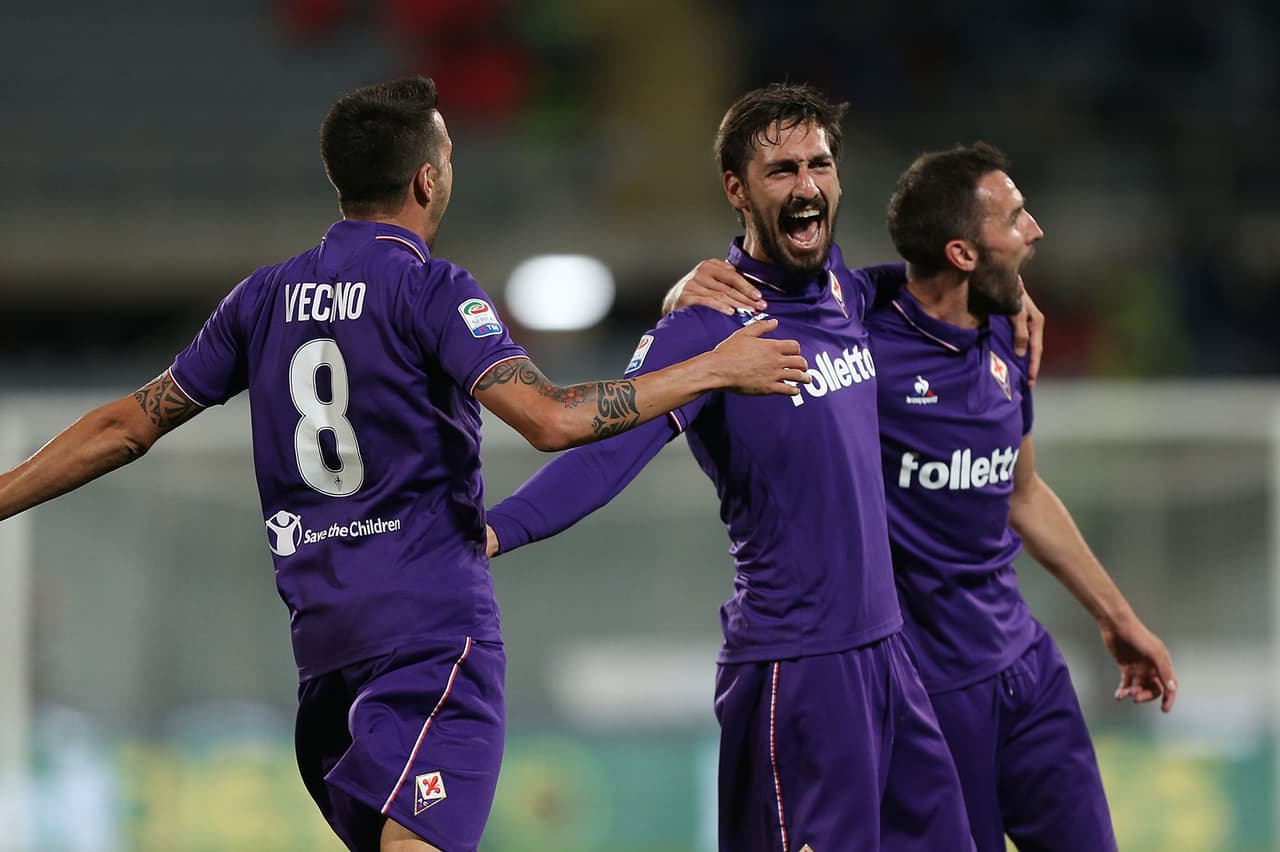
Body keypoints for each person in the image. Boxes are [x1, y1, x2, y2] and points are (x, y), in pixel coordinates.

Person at [0, 77, 812, 852]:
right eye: (450, 155)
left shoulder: (263, 298)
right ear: (427, 181)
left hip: (324, 657)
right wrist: (712, 367)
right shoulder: (431, 291)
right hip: (428, 639)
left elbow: (127, 425)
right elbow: (554, 419)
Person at [486, 83, 977, 851]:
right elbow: (607, 453)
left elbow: (935, 290)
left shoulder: (846, 292)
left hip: (888, 657)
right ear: (736, 190)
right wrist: (493, 531)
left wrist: (1011, 298)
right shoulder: (706, 330)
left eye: (819, 164)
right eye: (782, 170)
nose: (807, 185)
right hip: (798, 672)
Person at [671, 142, 1179, 851]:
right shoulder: (863, 347)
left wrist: (1117, 617)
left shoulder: (1005, 330)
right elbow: (803, 309)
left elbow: (1022, 492)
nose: (1035, 231)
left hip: (1026, 668)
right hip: (927, 692)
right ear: (964, 254)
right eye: (1017, 218)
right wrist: (683, 294)